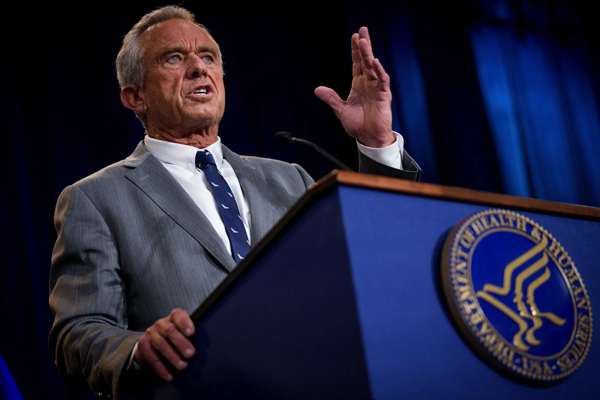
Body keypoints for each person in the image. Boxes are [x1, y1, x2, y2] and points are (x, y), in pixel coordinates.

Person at [48, 5, 420, 399]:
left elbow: (378, 263)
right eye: (174, 58)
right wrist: (139, 349)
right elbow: (77, 333)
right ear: (135, 96)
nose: (199, 68)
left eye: (208, 57)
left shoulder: (290, 179)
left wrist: (377, 143)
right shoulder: (95, 199)